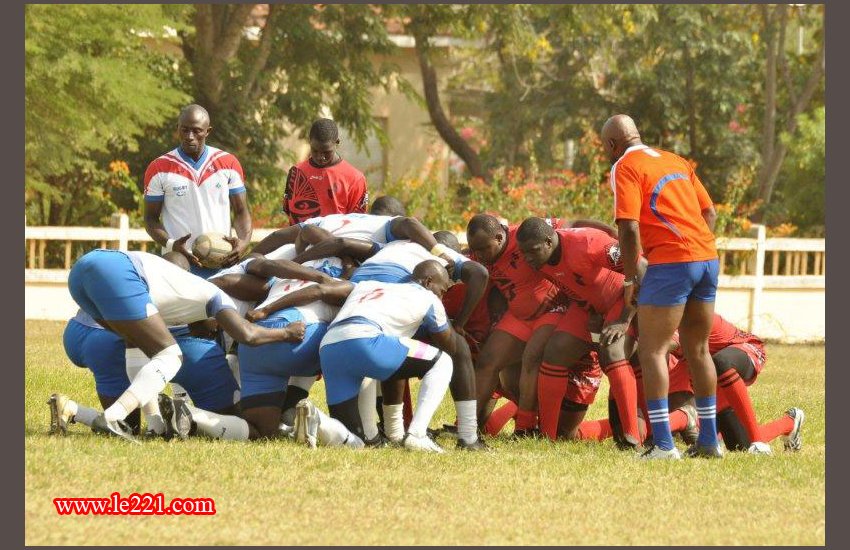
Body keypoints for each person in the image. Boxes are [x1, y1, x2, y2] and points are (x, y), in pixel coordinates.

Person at [62, 248, 305, 442]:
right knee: (171, 356)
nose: (212, 331)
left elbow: (133, 348)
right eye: (215, 327)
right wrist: (286, 333)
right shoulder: (214, 296)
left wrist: (154, 422)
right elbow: (247, 335)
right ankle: (113, 416)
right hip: (117, 270)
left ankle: (154, 425)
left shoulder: (177, 296)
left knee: (136, 345)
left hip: (83, 270)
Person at [602, 114, 720, 459]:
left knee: (653, 350)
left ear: (612, 144)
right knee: (699, 349)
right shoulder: (675, 160)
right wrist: (696, 247)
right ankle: (709, 441)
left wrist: (631, 277)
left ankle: (665, 445)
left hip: (671, 264)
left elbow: (628, 227)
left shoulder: (624, 166)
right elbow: (709, 213)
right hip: (707, 259)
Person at [516, 218, 643, 448]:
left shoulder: (587, 244)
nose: (527, 258)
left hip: (620, 301)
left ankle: (632, 436)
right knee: (555, 350)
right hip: (588, 308)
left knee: (611, 350)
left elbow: (640, 267)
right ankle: (547, 436)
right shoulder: (538, 252)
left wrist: (625, 319)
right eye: (523, 253)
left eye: (532, 251)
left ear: (548, 242)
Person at [465, 214, 568, 434]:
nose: (479, 255)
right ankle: (464, 425)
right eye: (475, 250)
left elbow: (571, 226)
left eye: (483, 249)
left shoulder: (521, 234)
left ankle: (525, 427)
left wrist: (613, 237)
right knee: (487, 360)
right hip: (519, 315)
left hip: (552, 309)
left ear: (499, 237)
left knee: (531, 357)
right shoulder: (478, 253)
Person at [143, 104, 252, 278]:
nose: (190, 136)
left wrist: (243, 243)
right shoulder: (158, 168)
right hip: (180, 263)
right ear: (177, 128)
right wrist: (171, 244)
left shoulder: (228, 163)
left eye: (196, 131)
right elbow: (150, 219)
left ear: (208, 131)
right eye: (184, 130)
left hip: (222, 261)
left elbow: (241, 211)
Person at [281, 118, 369, 225]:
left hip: (335, 236)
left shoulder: (355, 179)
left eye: (326, 152)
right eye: (315, 150)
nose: (320, 157)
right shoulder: (296, 173)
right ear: (309, 142)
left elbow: (357, 222)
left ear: (337, 142)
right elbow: (289, 212)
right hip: (298, 236)